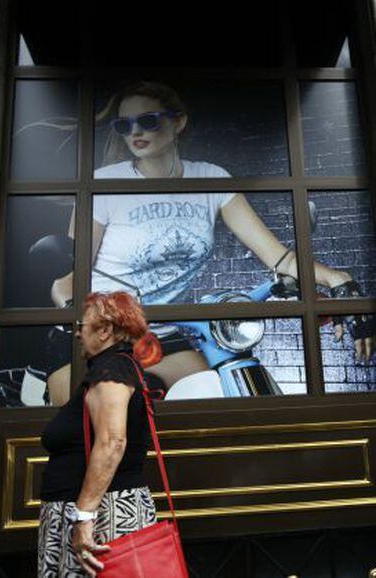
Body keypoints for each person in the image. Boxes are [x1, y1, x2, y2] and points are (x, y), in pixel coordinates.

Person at [49, 80, 373, 399]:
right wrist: (79, 315)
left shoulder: (211, 179)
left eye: (147, 121)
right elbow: (71, 279)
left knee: (211, 399)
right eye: (125, 125)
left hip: (162, 333)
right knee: (97, 418)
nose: (135, 132)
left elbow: (279, 258)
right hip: (100, 332)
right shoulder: (104, 185)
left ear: (179, 122)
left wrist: (339, 280)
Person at [38, 291, 157, 577]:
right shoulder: (113, 369)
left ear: (105, 331)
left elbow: (112, 442)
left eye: (82, 325)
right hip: (98, 512)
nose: (77, 333)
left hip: (104, 518)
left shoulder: (112, 370)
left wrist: (84, 517)